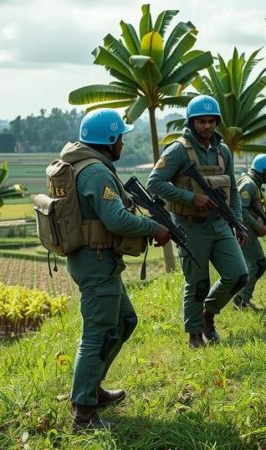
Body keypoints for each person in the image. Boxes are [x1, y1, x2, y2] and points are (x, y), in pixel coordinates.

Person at [62, 109, 171, 431]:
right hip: (95, 263)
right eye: (120, 136)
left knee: (125, 321)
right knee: (100, 334)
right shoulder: (95, 172)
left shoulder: (81, 164)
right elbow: (116, 219)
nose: (123, 141)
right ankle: (83, 413)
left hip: (96, 260)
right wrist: (153, 228)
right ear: (109, 140)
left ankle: (92, 388)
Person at [148, 95, 248, 349]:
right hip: (189, 224)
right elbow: (154, 183)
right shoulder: (179, 150)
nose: (207, 126)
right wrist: (191, 198)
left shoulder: (222, 150)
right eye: (201, 122)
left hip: (219, 223)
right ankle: (194, 334)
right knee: (198, 281)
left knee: (238, 275)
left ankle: (208, 314)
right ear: (191, 122)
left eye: (211, 121)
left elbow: (233, 189)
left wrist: (237, 222)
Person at [233, 154, 266, 310]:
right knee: (257, 265)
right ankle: (242, 300)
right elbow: (241, 209)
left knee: (256, 265)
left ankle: (242, 298)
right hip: (245, 231)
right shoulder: (249, 185)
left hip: (248, 231)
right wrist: (258, 226)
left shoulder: (254, 183)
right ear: (262, 170)